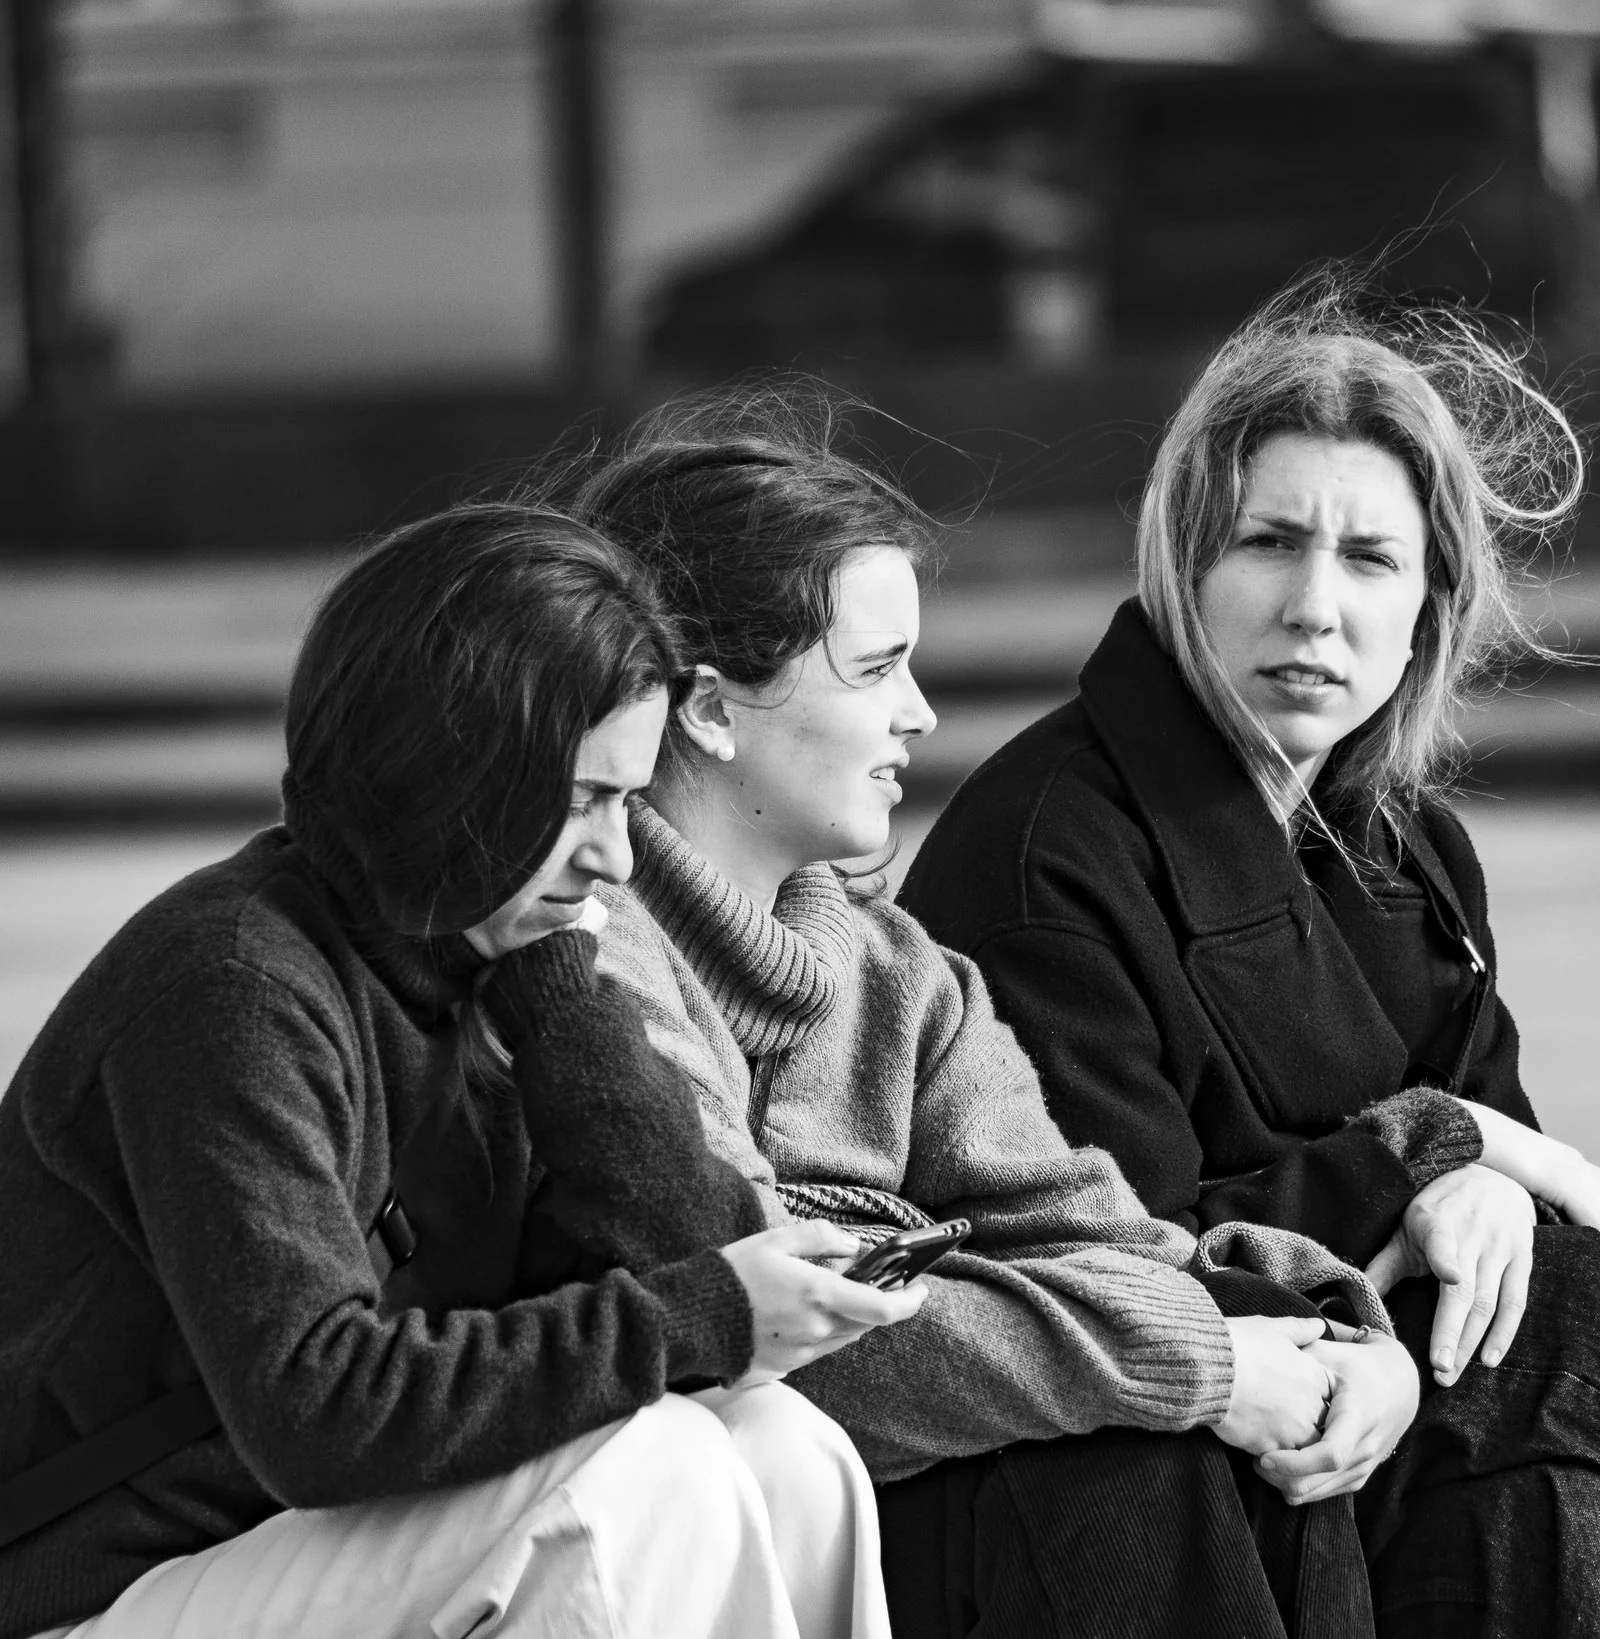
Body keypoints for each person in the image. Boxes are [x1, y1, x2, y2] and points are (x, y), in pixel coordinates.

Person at [902, 274, 1600, 1637]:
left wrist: (1485, 1188)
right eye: (1270, 542)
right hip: (1154, 1475)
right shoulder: (1048, 852)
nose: (1314, 606)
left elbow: (1505, 1173)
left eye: (1370, 559)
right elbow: (1117, 1270)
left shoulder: (1410, 852)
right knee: (1557, 1325)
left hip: (1394, 1438)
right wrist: (1436, 1149)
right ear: (1183, 564)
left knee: (1556, 1500)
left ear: (1431, 603)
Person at [0, 504, 925, 1639]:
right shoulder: (231, 984)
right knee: (659, 1468)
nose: (616, 856)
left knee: (786, 1448)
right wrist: (696, 1314)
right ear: (452, 774)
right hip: (65, 1592)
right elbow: (315, 1410)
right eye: (581, 799)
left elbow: (693, 1264)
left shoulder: (491, 966)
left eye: (628, 800)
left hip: (283, 1556)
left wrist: (560, 999)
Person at [576, 403, 1427, 1639]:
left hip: (891, 1503)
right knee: (1135, 1449)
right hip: (696, 1534)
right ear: (708, 709)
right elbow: (779, 1327)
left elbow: (1100, 1236)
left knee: (1269, 1403)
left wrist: (1338, 1327)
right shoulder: (585, 956)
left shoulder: (898, 973)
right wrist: (1192, 1360)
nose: (919, 712)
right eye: (876, 668)